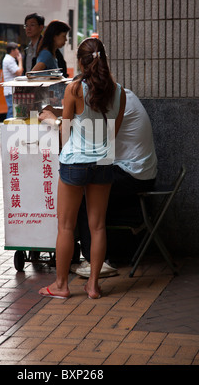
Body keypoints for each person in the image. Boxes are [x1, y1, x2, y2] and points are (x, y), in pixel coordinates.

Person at [38, 37, 126, 299]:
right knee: (98, 226)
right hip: (103, 163)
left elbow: (65, 131)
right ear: (104, 58)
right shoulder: (119, 91)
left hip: (75, 162)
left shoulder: (75, 89)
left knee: (66, 226)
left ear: (81, 61)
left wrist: (53, 121)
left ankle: (62, 285)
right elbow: (113, 133)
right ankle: (93, 285)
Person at [73, 88, 158, 278]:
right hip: (137, 171)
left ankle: (96, 261)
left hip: (133, 174)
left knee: (85, 191)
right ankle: (99, 255)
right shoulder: (121, 95)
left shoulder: (116, 103)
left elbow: (94, 140)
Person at [2, 42, 23, 118]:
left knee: (13, 110)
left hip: (11, 89)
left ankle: (9, 127)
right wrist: (20, 60)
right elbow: (19, 72)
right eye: (17, 49)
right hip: (10, 90)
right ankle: (8, 128)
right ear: (12, 50)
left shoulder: (9, 59)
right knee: (12, 111)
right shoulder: (9, 60)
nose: (18, 52)